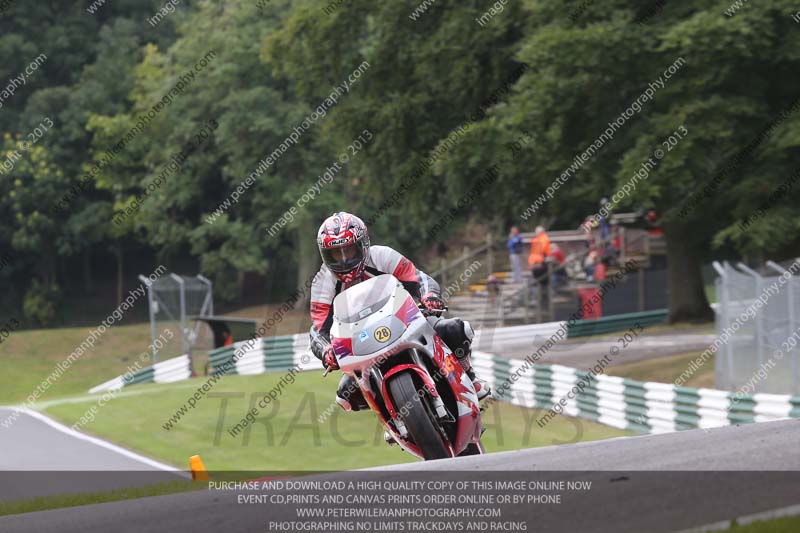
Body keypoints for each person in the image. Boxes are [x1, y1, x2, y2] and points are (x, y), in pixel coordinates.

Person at [308, 212, 491, 416]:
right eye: (335, 254)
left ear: (362, 244)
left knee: (455, 329)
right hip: (361, 341)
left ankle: (470, 377)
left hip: (405, 319)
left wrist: (429, 296)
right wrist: (326, 351)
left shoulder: (382, 256)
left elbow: (419, 278)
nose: (343, 260)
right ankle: (390, 414)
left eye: (349, 251)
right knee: (346, 393)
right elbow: (318, 329)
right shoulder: (322, 282)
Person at [527, 225, 551, 294]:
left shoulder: (537, 240)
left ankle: (538, 297)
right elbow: (543, 251)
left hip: (536, 264)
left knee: (538, 282)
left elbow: (536, 252)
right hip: (540, 264)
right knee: (543, 283)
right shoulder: (544, 239)